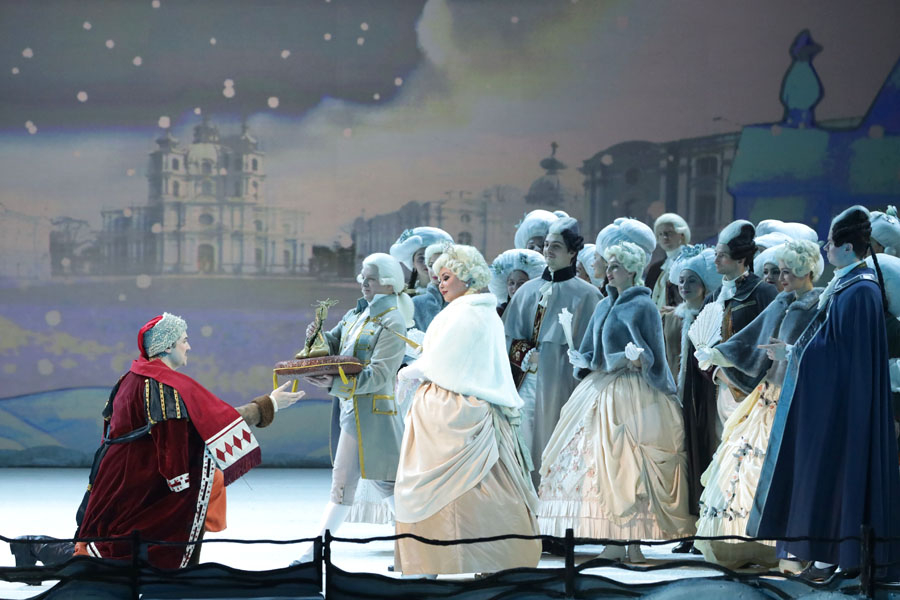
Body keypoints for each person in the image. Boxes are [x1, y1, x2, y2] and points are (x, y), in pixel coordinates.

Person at [73, 313, 303, 568]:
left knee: (208, 479)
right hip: (139, 483)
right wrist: (270, 404)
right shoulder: (163, 385)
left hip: (116, 477)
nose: (189, 346)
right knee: (195, 485)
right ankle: (176, 568)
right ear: (167, 346)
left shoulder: (131, 377)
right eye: (184, 340)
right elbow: (185, 438)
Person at [748, 206, 900, 581]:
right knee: (828, 478)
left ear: (847, 247)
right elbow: (833, 346)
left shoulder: (860, 290)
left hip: (845, 407)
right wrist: (796, 352)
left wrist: (795, 353)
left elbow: (840, 353)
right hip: (837, 401)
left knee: (838, 476)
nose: (826, 248)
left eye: (830, 242)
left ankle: (840, 559)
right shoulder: (851, 285)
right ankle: (826, 557)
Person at [539, 241, 693, 563]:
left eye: (615, 267)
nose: (608, 272)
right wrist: (582, 359)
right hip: (601, 387)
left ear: (632, 271)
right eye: (608, 266)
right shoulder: (602, 306)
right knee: (598, 460)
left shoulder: (644, 306)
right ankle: (612, 542)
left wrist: (639, 359)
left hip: (634, 391)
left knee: (632, 463)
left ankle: (634, 543)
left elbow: (656, 356)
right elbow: (592, 352)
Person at [393, 244, 541, 576]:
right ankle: (483, 561)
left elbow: (444, 361)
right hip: (463, 407)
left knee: (460, 490)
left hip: (454, 406)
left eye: (447, 277)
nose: (440, 283)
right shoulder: (479, 311)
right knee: (478, 489)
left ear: (466, 277)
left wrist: (410, 371)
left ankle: (438, 562)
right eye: (438, 277)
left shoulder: (466, 312)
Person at [694, 240, 824, 569]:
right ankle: (741, 546)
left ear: (807, 271)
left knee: (781, 466)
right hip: (767, 395)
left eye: (789, 272)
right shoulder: (781, 302)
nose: (782, 278)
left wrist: (792, 354)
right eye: (780, 271)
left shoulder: (819, 304)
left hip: (797, 397)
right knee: (741, 461)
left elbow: (825, 351)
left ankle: (786, 549)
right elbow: (750, 338)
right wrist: (717, 354)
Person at [293, 253, 413, 563]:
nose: (364, 283)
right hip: (354, 410)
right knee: (386, 485)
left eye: (371, 278)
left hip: (372, 415)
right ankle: (418, 552)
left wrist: (334, 384)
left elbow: (381, 375)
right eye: (363, 277)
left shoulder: (393, 320)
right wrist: (316, 336)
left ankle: (312, 554)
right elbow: (333, 346)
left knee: (345, 485)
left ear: (389, 284)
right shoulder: (356, 314)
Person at [502, 217, 602, 480]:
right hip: (526, 382)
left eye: (556, 246)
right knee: (523, 440)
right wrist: (525, 354)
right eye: (546, 245)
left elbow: (592, 348)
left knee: (556, 439)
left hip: (563, 383)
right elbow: (507, 337)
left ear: (572, 252)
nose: (548, 250)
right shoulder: (526, 291)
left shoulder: (588, 296)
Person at [659, 246, 722, 548]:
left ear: (705, 285)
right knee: (682, 459)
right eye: (681, 280)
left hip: (706, 396)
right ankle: (686, 527)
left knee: (706, 452)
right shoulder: (672, 317)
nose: (684, 286)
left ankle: (707, 529)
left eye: (692, 281)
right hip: (677, 394)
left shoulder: (714, 316)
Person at [699, 220, 778, 433]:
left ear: (741, 259)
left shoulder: (763, 293)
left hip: (759, 389)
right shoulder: (712, 299)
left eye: (722, 255)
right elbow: (701, 347)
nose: (716, 260)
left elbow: (771, 340)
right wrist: (720, 373)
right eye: (716, 254)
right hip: (722, 387)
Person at [389, 227, 453, 294]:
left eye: (433, 259)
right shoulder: (403, 295)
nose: (426, 263)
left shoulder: (454, 294)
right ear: (413, 262)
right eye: (421, 258)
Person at [646, 213, 691, 309]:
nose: (665, 237)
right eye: (660, 234)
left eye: (669, 232)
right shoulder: (655, 269)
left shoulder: (691, 262)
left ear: (682, 235)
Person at [488, 248, 546, 317]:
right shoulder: (499, 312)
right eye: (511, 283)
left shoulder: (540, 311)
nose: (515, 288)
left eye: (521, 283)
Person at [411, 242, 449, 332]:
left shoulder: (463, 303)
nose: (434, 270)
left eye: (440, 265)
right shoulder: (416, 303)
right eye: (431, 265)